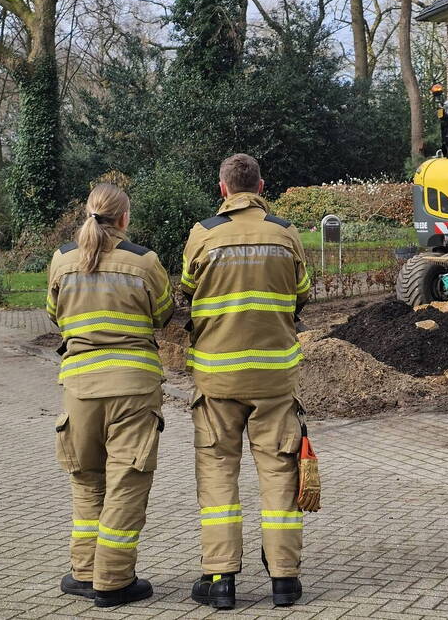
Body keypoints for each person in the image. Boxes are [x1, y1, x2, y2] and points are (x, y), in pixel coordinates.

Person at [180, 153, 311, 610]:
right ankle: (284, 580)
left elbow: (186, 291)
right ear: (261, 184)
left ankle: (220, 580)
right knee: (278, 471)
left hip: (217, 379)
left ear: (223, 189)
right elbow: (302, 294)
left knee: (218, 474)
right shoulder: (286, 233)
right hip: (275, 378)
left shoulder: (203, 234)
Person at [47, 183, 174, 608]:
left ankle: (83, 573)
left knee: (86, 480)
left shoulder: (63, 259)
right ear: (124, 218)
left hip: (79, 387)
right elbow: (162, 314)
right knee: (126, 483)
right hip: (133, 388)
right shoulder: (144, 261)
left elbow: (54, 313)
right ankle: (114, 580)